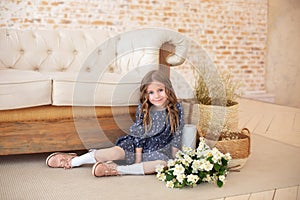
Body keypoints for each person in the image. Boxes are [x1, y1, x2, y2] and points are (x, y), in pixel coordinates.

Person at [46, 70, 184, 177]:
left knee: (162, 164)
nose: (157, 96)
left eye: (160, 90)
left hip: (157, 150)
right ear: (146, 95)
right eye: (151, 92)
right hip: (135, 146)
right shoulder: (144, 108)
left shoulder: (177, 108)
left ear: (168, 89)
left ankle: (116, 169)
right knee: (114, 153)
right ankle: (72, 161)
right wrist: (137, 159)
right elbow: (138, 136)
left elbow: (176, 136)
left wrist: (175, 159)